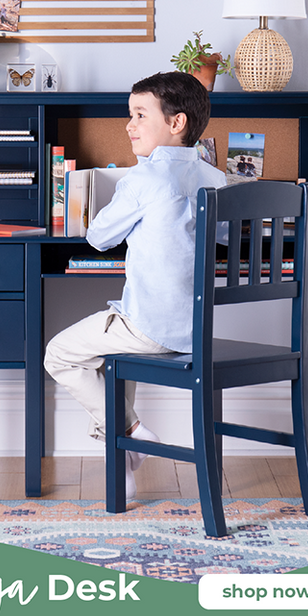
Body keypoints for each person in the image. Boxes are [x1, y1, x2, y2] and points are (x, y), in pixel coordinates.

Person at [44, 71, 227, 498]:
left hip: (150, 327)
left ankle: (132, 432)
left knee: (60, 354)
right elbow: (223, 237)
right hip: (195, 331)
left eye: (140, 115)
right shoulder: (216, 180)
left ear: (176, 123)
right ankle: (124, 466)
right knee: (112, 360)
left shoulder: (143, 180)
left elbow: (98, 237)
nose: (129, 125)